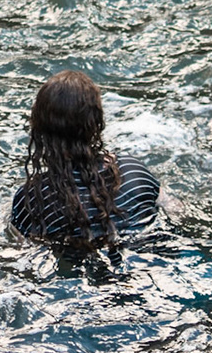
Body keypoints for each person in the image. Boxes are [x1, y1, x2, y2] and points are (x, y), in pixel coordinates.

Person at [10, 70, 160, 252]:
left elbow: (23, 249)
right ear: (97, 122)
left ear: (39, 127)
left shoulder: (33, 200)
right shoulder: (134, 171)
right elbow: (175, 211)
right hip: (151, 263)